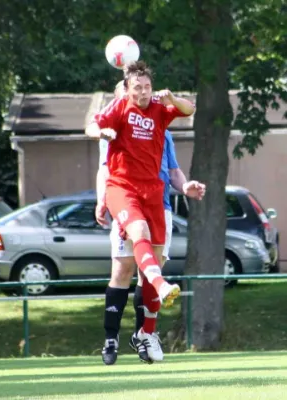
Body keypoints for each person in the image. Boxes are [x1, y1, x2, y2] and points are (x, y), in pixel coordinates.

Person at [85, 60, 197, 363]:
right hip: (122, 190)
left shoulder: (161, 115)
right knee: (127, 262)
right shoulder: (119, 110)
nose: (144, 92)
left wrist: (185, 188)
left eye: (147, 86)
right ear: (127, 89)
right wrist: (101, 134)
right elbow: (92, 129)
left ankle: (146, 334)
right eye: (137, 87)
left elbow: (188, 111)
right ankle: (112, 338)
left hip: (155, 196)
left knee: (151, 262)